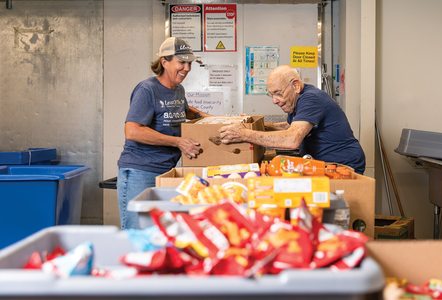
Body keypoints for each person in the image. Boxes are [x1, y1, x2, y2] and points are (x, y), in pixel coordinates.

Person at [117, 37, 209, 229]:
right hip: (140, 171)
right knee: (138, 230)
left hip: (166, 170)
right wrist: (178, 142)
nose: (187, 68)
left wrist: (204, 116)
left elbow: (180, 109)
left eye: (189, 63)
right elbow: (132, 131)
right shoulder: (147, 89)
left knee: (160, 231)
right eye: (181, 62)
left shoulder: (178, 90)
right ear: (164, 62)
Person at [219, 65, 365, 174]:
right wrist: (253, 125)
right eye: (271, 95)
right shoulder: (297, 100)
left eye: (278, 93)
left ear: (295, 85)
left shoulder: (311, 99)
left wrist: (243, 134)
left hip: (342, 165)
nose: (275, 101)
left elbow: (291, 139)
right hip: (321, 163)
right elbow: (290, 127)